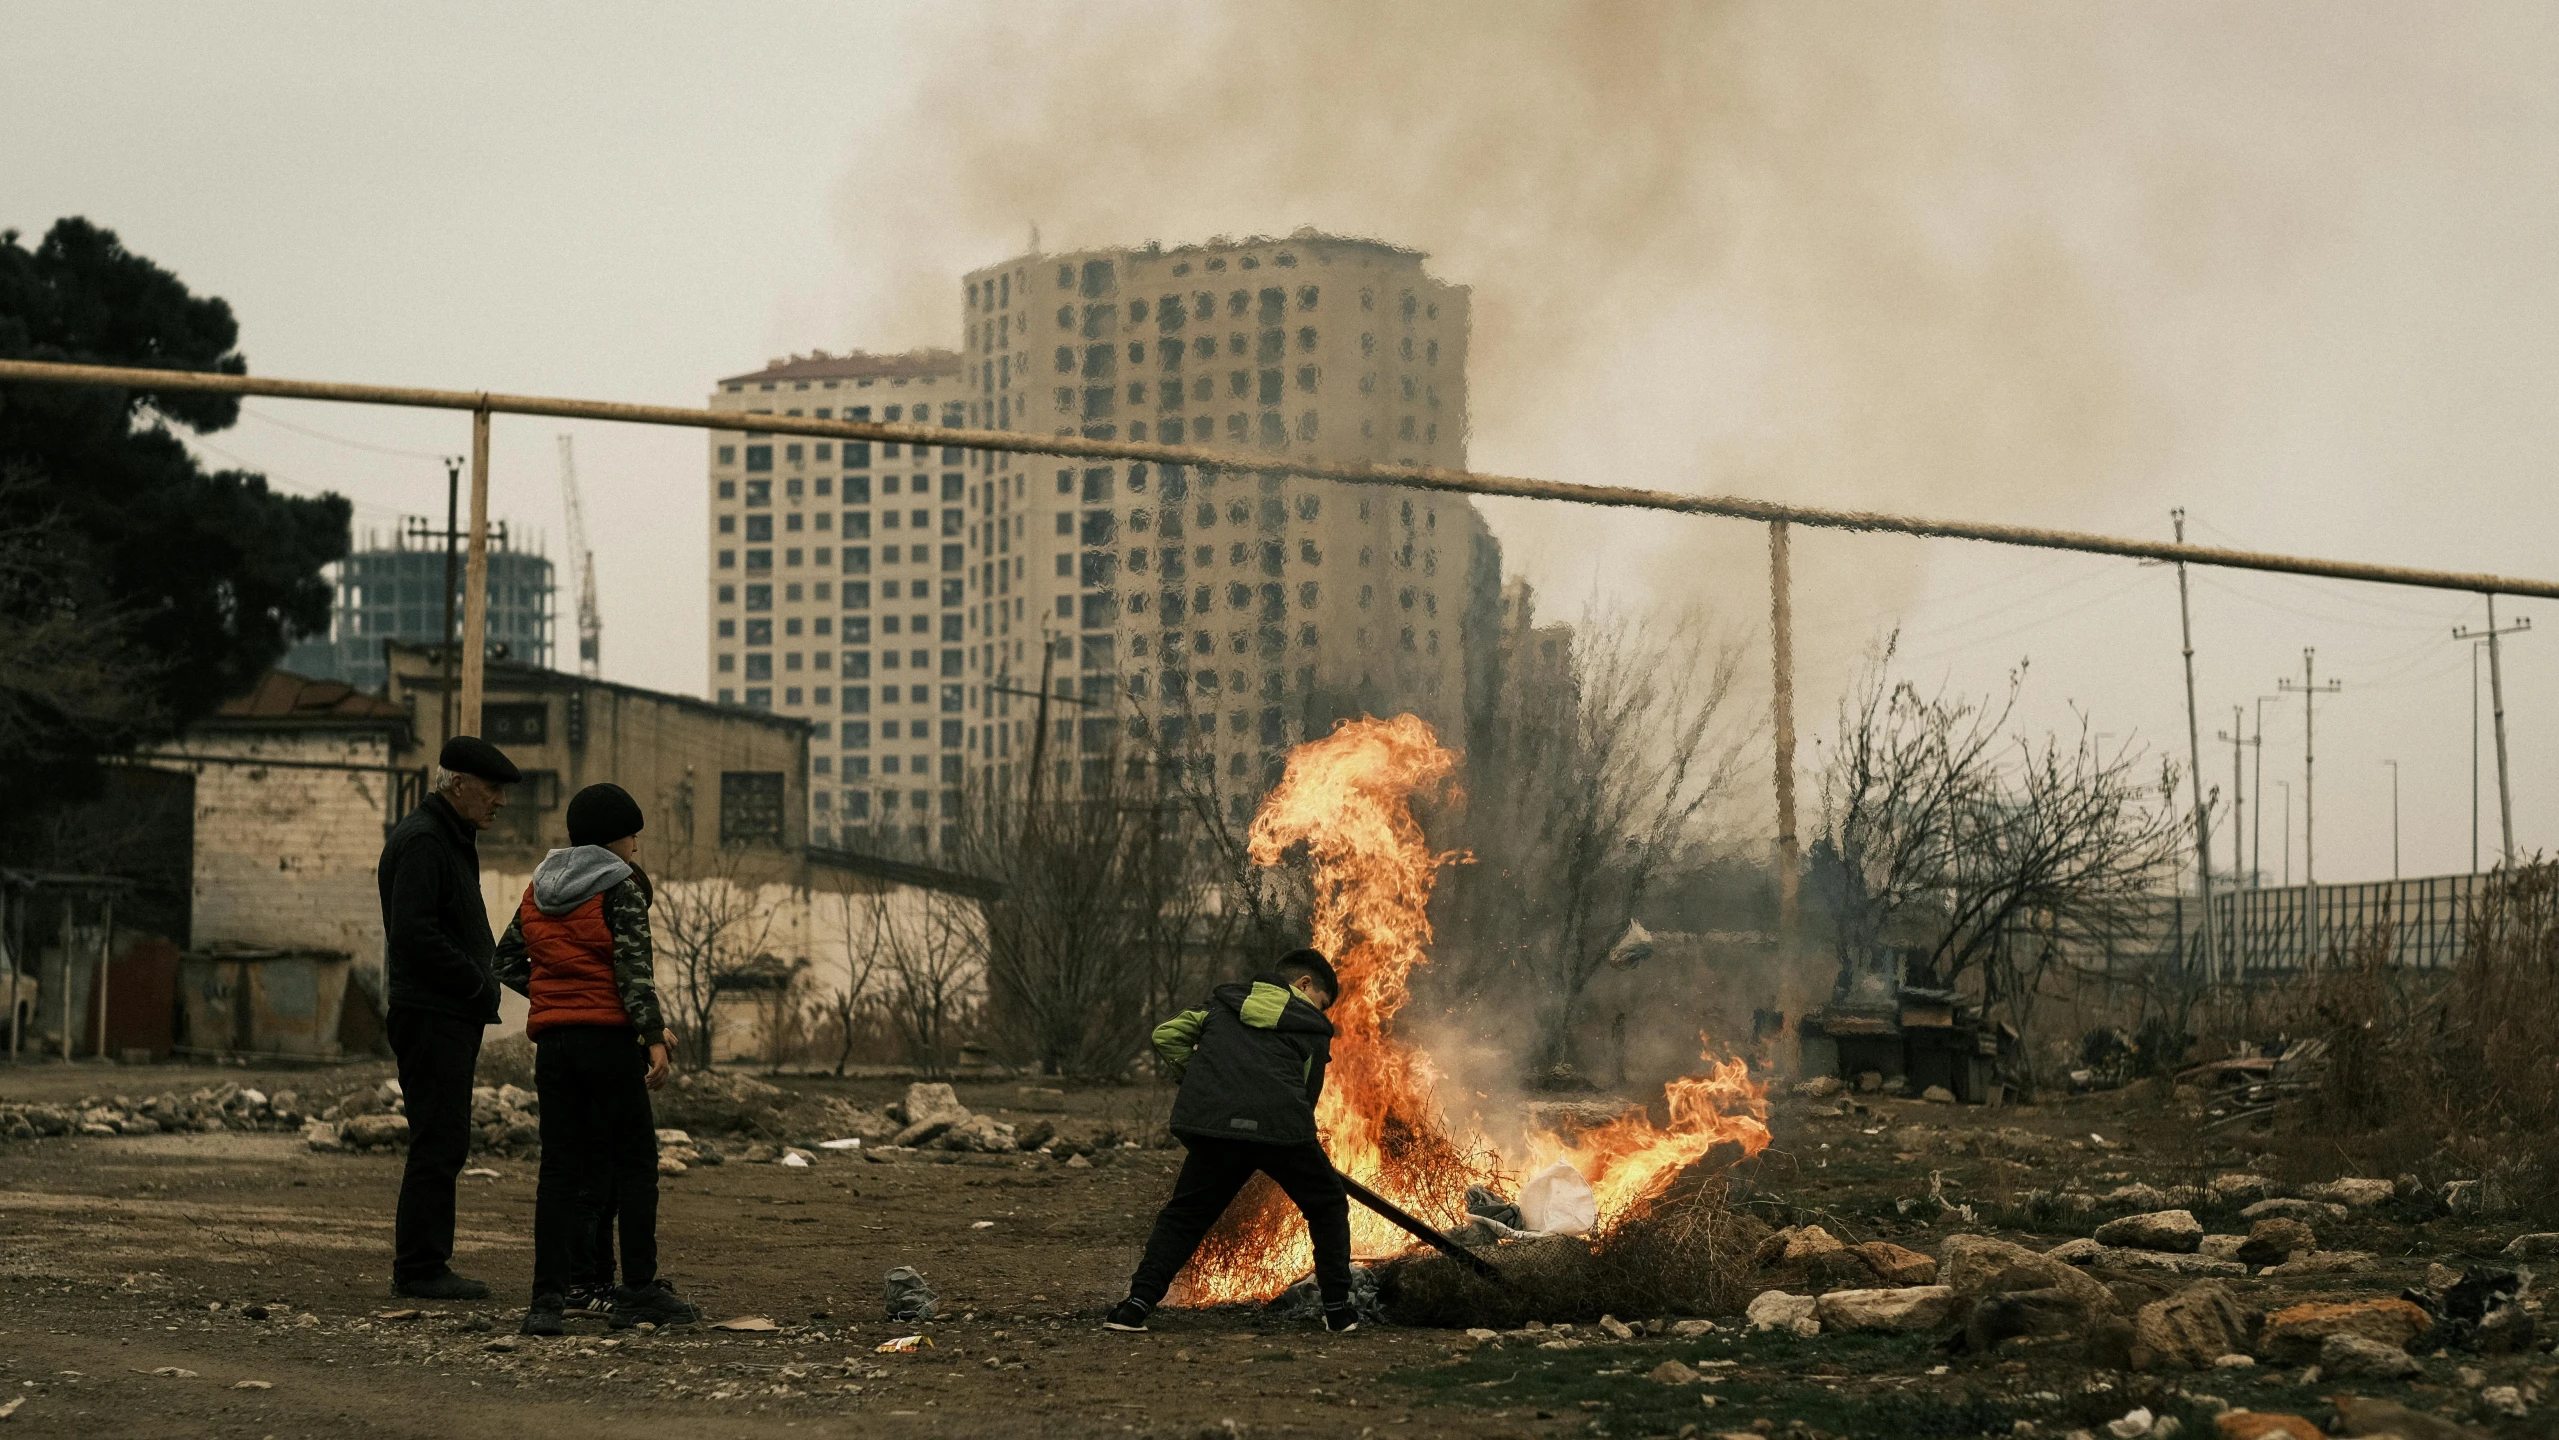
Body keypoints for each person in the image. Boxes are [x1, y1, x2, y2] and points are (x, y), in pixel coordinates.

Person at [491, 782, 700, 1336]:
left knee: (558, 1171)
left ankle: (546, 1302)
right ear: (616, 838)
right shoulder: (621, 885)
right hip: (607, 1045)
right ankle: (637, 1290)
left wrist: (558, 998)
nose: (636, 847)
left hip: (554, 1048)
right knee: (635, 1163)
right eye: (633, 836)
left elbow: (506, 958)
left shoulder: (540, 887)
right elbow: (634, 970)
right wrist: (653, 1036)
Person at [1105, 948, 1358, 1335]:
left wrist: (1207, 1080)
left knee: (1185, 1217)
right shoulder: (1312, 1028)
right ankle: (1339, 1313)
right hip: (1281, 1131)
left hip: (1218, 1130)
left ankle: (1134, 1307)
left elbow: (1165, 1035)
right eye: (1321, 1004)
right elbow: (1307, 1096)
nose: (1320, 1013)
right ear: (1304, 984)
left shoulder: (1223, 1005)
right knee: (1326, 1206)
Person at [377, 735, 519, 1301]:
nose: (500, 801)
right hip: (432, 1014)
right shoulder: (426, 843)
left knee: (443, 1141)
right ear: (457, 785)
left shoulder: (446, 837)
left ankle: (424, 1263)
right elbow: (414, 935)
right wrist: (475, 980)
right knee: (438, 1142)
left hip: (444, 1014)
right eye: (491, 789)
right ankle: (419, 1267)